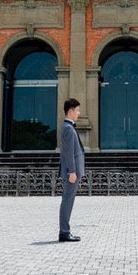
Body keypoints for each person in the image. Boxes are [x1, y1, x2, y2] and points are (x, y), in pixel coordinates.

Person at [58, 98, 84, 243]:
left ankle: (65, 231)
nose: (79, 113)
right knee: (67, 200)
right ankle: (64, 232)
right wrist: (72, 172)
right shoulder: (68, 128)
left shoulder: (69, 127)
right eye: (78, 110)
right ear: (71, 111)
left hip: (73, 171)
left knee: (68, 200)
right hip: (71, 172)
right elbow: (68, 153)